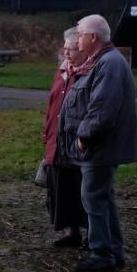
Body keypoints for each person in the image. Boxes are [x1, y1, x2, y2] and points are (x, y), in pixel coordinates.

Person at [59, 14, 137, 272]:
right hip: (101, 145)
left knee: (93, 197)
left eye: (80, 33)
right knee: (103, 197)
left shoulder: (109, 63)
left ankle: (102, 253)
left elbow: (102, 108)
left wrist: (83, 136)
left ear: (92, 37)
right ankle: (113, 250)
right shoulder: (104, 61)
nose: (77, 37)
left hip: (100, 146)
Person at [43, 27, 90, 248]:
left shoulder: (89, 74)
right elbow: (53, 105)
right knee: (61, 189)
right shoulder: (62, 73)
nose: (66, 53)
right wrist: (47, 132)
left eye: (71, 49)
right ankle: (72, 232)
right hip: (57, 140)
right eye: (65, 49)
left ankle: (92, 234)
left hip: (78, 141)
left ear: (82, 50)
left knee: (83, 189)